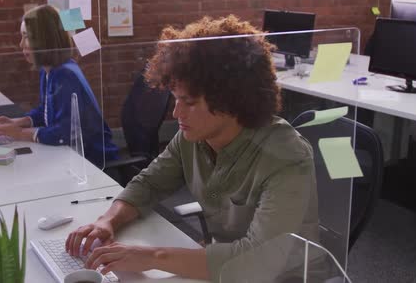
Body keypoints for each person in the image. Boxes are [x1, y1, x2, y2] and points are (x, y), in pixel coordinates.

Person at [64, 15, 319, 281]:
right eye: (175, 99)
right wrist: (108, 220)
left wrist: (153, 257)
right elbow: (149, 183)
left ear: (232, 100)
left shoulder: (286, 157)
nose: (175, 113)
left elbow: (258, 261)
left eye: (189, 102)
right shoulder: (193, 138)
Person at [0, 5, 118, 168]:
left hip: (90, 161)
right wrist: (18, 122)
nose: (21, 44)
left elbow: (64, 134)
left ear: (44, 40)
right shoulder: (49, 70)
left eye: (26, 37)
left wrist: (21, 134)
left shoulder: (65, 75)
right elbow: (46, 111)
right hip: (70, 154)